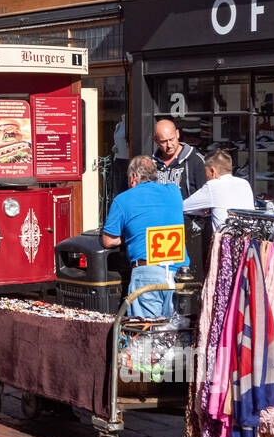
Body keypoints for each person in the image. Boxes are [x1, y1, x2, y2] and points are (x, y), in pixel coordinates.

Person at [102, 155, 189, 320]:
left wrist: (130, 235)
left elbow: (108, 240)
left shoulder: (122, 199)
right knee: (175, 335)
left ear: (134, 177)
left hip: (148, 274)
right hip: (178, 273)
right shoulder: (174, 192)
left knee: (146, 336)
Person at [182, 149, 256, 231]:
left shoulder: (213, 185)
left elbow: (184, 207)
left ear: (213, 171)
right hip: (248, 239)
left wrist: (201, 210)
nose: (206, 178)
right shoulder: (245, 183)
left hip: (226, 241)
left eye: (206, 173)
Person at [152, 118, 207, 199]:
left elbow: (205, 195)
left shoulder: (195, 160)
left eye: (171, 139)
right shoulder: (151, 164)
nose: (169, 145)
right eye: (164, 141)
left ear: (177, 134)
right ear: (156, 140)